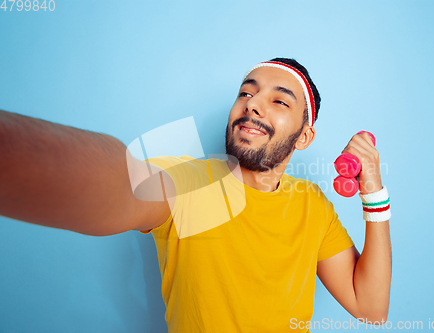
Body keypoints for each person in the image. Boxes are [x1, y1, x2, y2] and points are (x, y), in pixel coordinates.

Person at [0, 58, 391, 332]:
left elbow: (370, 308)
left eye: (279, 100)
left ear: (304, 136)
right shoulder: (194, 183)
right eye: (246, 93)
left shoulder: (311, 204)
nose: (252, 103)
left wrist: (374, 193)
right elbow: (123, 183)